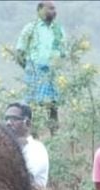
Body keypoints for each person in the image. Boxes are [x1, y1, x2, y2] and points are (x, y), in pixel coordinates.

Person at [15, 2, 66, 130]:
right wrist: (30, 68)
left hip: (52, 73)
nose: (54, 11)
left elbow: (64, 52)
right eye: (50, 8)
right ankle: (33, 135)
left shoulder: (58, 29)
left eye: (55, 8)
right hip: (34, 73)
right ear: (40, 9)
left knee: (53, 107)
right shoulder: (30, 28)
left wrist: (55, 65)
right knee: (32, 107)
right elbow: (20, 52)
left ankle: (55, 138)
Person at [4, 101, 49, 187]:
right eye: (6, 119)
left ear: (27, 123)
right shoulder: (10, 148)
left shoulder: (35, 148)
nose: (8, 123)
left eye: (14, 119)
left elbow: (24, 178)